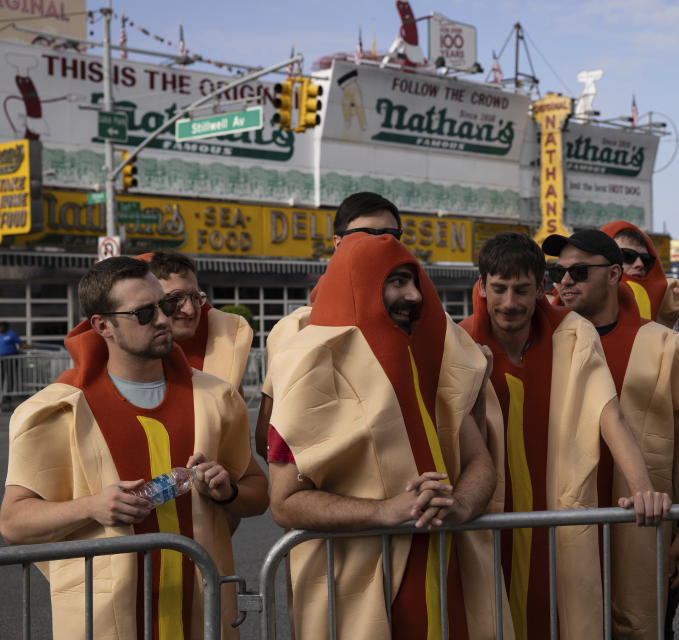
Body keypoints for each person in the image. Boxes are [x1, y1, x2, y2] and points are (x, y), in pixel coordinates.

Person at [0, 256, 269, 640]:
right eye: (144, 313)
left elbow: (259, 495)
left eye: (166, 305)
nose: (163, 319)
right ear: (102, 325)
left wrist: (228, 492)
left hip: (203, 616)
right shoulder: (59, 409)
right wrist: (91, 507)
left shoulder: (217, 397)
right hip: (106, 622)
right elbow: (13, 523)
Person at [266, 232, 505, 640]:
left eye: (415, 282)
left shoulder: (434, 357)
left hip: (450, 582)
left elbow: (479, 459)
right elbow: (285, 502)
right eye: (396, 282)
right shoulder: (308, 365)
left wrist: (461, 507)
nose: (413, 296)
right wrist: (387, 512)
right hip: (360, 597)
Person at [460, 231, 671, 639]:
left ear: (542, 288)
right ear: (482, 287)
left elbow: (610, 413)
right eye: (499, 289)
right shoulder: (461, 342)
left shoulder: (573, 333)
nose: (509, 303)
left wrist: (644, 488)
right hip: (488, 518)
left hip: (557, 512)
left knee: (563, 617)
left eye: (521, 290)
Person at [543, 229, 679, 639]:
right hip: (569, 519)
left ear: (614, 275)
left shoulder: (665, 344)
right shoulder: (548, 342)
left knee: (643, 626)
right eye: (558, 273)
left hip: (644, 525)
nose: (565, 282)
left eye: (579, 271)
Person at [254, 191, 403, 460]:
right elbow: (267, 438)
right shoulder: (296, 328)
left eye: (391, 237)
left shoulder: (416, 323)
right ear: (337, 243)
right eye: (366, 235)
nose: (381, 246)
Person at [141, 250, 253, 390]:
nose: (190, 310)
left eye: (195, 297)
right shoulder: (126, 365)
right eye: (175, 298)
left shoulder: (223, 368)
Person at [599, 220, 679, 324]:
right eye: (628, 256)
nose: (640, 264)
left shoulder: (666, 304)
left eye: (646, 259)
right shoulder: (584, 303)